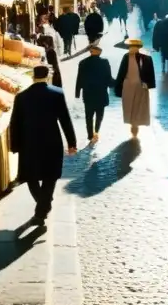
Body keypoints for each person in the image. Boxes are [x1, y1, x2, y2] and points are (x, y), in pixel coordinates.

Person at [9, 65, 77, 223]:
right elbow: (65, 119)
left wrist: (15, 146)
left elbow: (15, 123)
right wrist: (71, 143)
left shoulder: (21, 96)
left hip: (29, 142)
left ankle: (42, 205)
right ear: (47, 76)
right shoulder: (57, 94)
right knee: (50, 175)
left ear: (33, 76)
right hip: (51, 141)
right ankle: (42, 208)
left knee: (30, 176)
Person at [114, 38, 155, 139]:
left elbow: (151, 74)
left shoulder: (146, 59)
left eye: (133, 47)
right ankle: (133, 125)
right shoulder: (126, 57)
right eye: (130, 47)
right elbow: (121, 73)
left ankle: (135, 125)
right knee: (129, 106)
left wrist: (149, 84)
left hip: (141, 87)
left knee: (139, 106)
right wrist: (118, 87)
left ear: (138, 48)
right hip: (128, 87)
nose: (131, 49)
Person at [75, 43, 114, 142]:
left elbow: (79, 78)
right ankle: (96, 131)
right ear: (99, 53)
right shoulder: (104, 62)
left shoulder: (83, 62)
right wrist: (116, 84)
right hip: (101, 93)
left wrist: (77, 92)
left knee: (88, 115)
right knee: (99, 115)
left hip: (88, 93)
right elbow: (109, 78)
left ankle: (90, 135)